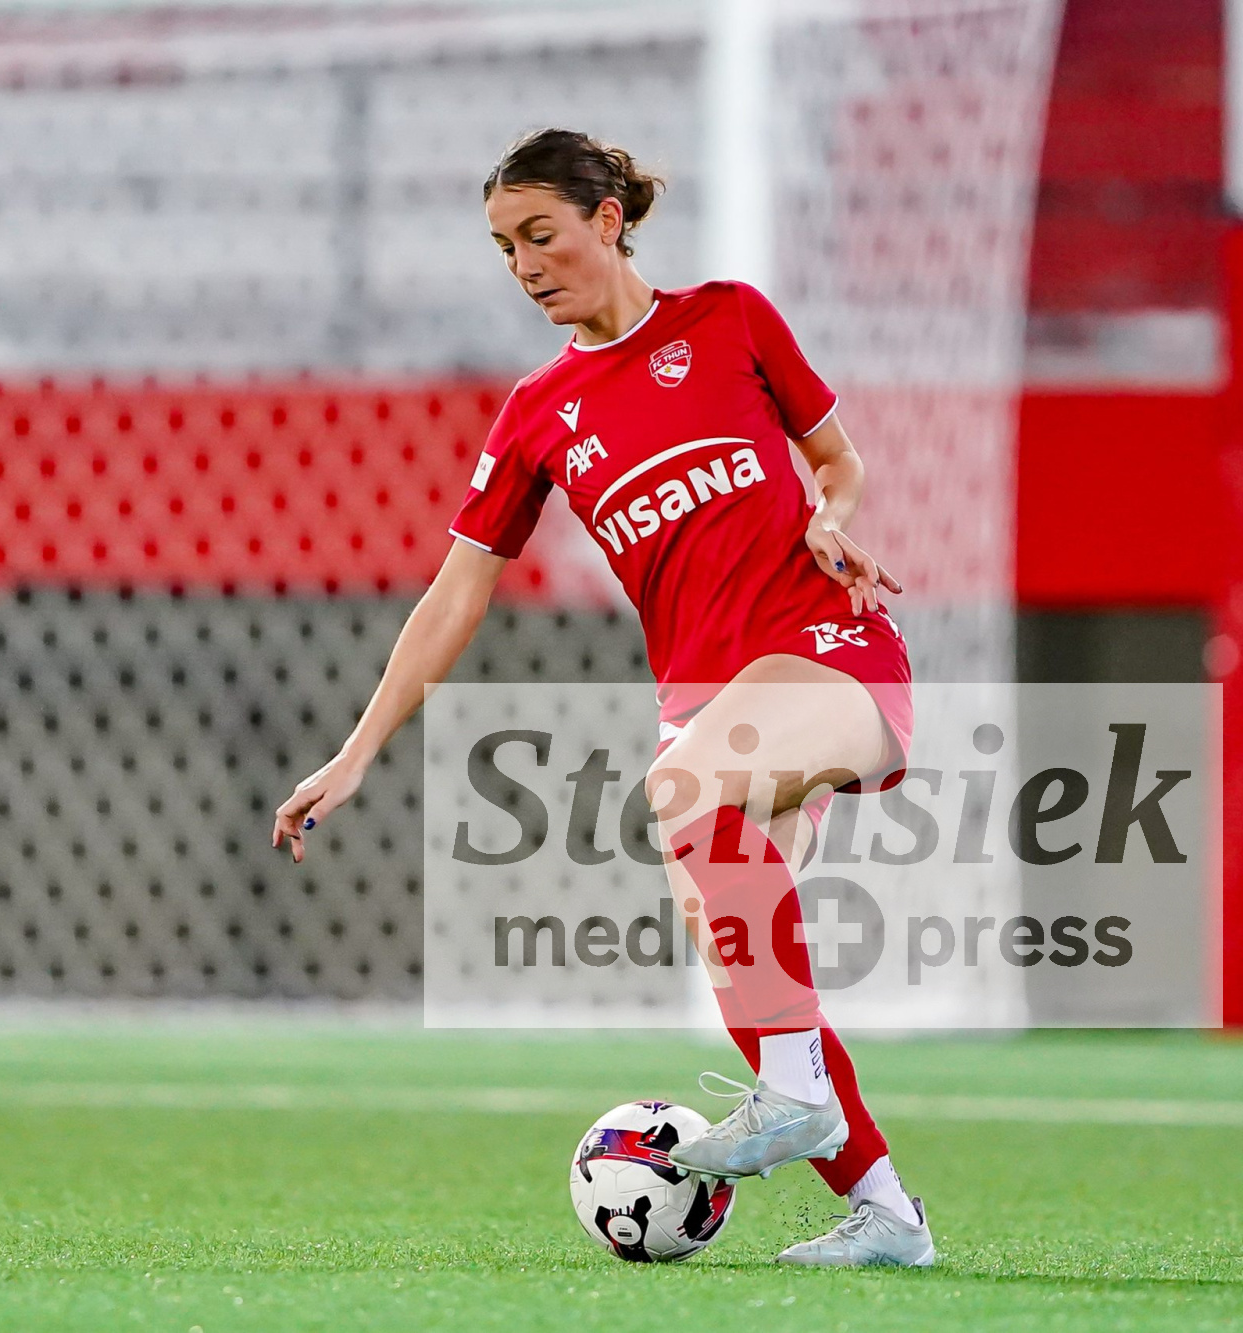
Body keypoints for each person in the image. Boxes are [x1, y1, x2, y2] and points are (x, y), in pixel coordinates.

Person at [271, 130, 934, 1267]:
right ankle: (886, 1214)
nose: (525, 265)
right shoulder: (539, 412)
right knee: (746, 959)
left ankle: (796, 1100)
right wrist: (357, 749)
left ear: (608, 220)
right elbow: (455, 593)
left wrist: (830, 516)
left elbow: (838, 460)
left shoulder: (729, 319)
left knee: (685, 793)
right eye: (503, 248)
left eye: (540, 234)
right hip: (702, 695)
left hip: (827, 648)